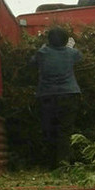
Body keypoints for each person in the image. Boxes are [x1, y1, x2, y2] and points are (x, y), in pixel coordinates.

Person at [31, 27, 83, 169]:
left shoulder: (42, 53)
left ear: (49, 41)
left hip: (47, 97)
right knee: (65, 131)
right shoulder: (72, 53)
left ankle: (51, 165)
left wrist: (44, 47)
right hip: (69, 96)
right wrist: (70, 47)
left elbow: (32, 61)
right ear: (66, 41)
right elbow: (80, 57)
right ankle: (63, 164)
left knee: (49, 130)